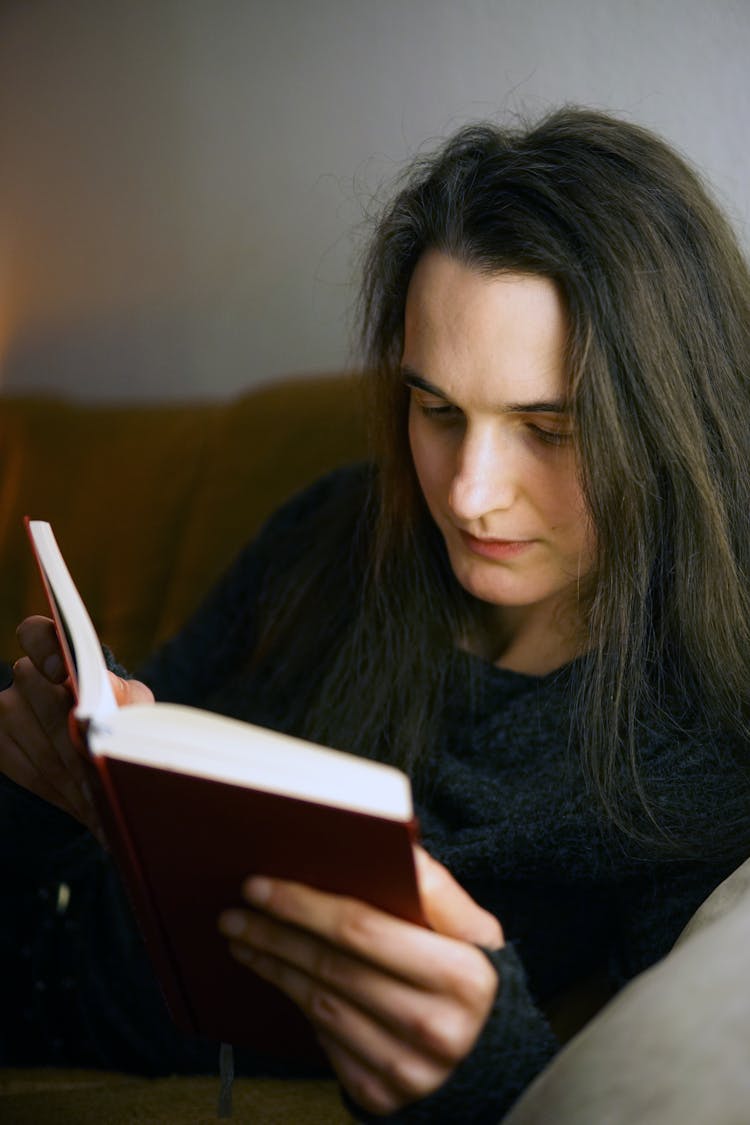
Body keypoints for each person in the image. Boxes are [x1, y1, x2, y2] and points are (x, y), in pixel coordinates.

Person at [2, 105, 750, 1124]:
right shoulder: (338, 527)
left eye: (549, 429)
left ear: (669, 422)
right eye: (436, 409)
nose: (471, 492)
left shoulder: (700, 745)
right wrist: (54, 774)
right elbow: (141, 741)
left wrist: (481, 1065)